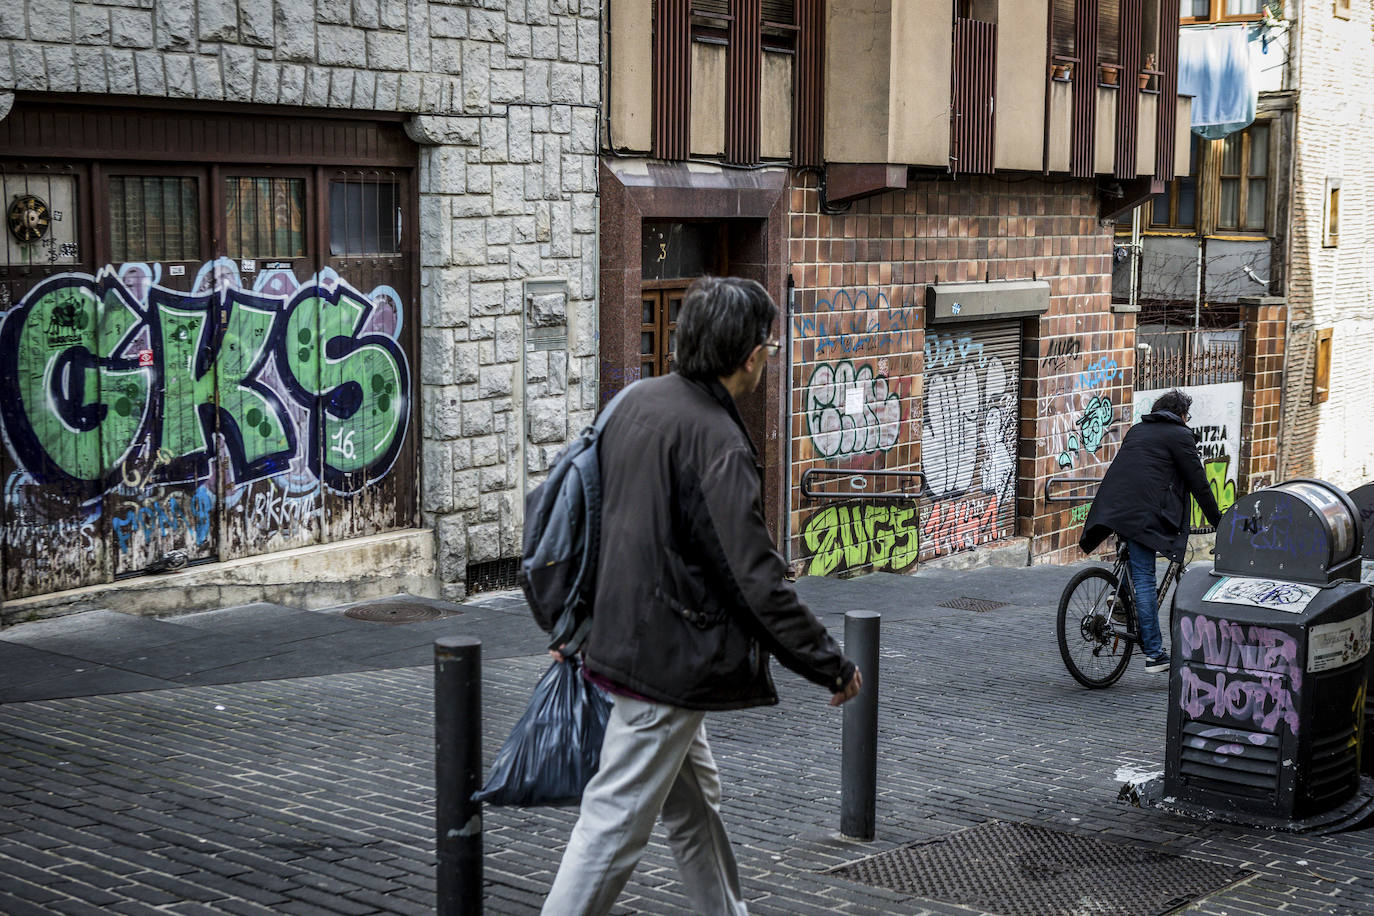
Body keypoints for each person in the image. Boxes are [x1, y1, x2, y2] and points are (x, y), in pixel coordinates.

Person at [542, 276, 862, 915]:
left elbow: (583, 517)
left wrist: (569, 622)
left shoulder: (634, 402)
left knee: (694, 805)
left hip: (626, 641)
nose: (771, 356)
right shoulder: (715, 437)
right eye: (769, 345)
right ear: (750, 356)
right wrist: (828, 662)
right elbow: (753, 577)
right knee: (612, 827)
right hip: (662, 660)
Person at [1079, 388, 1222, 673]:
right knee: (1145, 579)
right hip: (1142, 515)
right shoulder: (1180, 436)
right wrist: (1220, 522)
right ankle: (1155, 653)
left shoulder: (1138, 429)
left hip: (1115, 509)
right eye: (1187, 415)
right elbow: (1200, 484)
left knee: (1136, 569)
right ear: (1181, 415)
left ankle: (1121, 600)